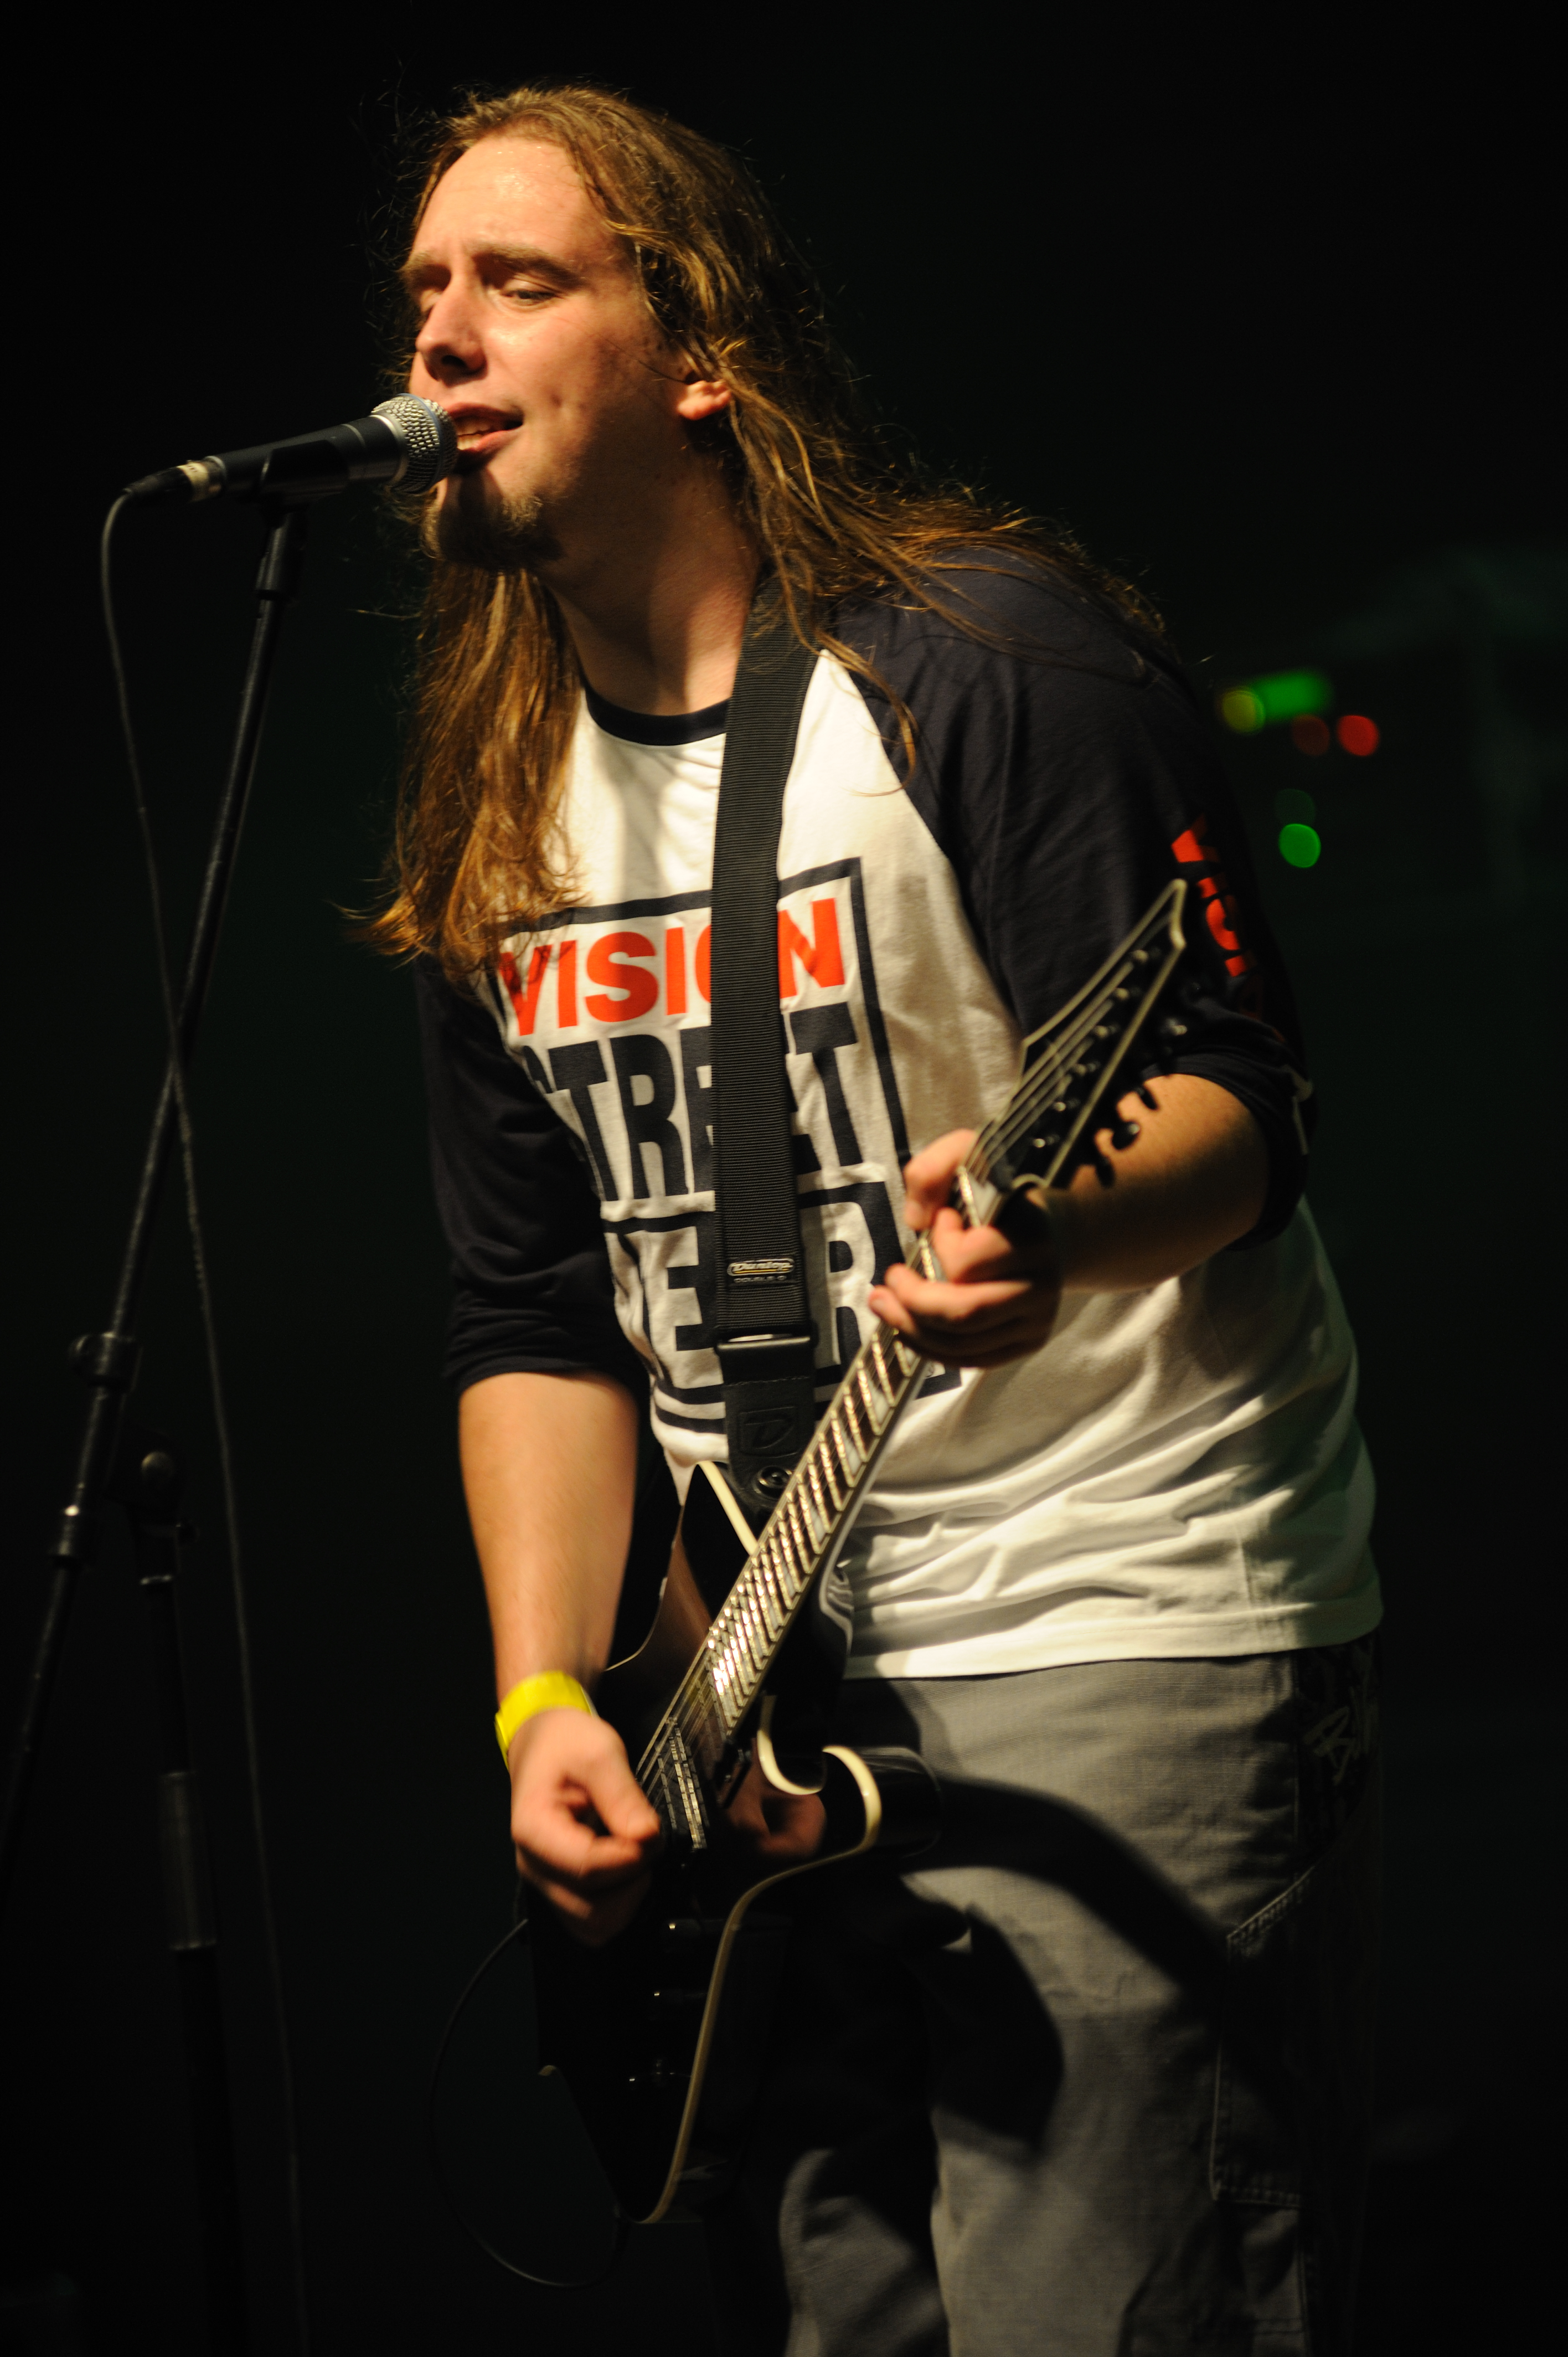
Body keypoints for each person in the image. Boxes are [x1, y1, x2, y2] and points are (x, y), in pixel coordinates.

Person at [373, 82, 1382, 2356]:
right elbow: (530, 1307)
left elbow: (1242, 1096)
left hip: (1117, 1594)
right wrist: (546, 1697)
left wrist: (1057, 1237)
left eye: (518, 280)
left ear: (701, 350)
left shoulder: (987, 664)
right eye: (423, 288)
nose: (440, 335)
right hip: (757, 1696)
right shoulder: (491, 790)